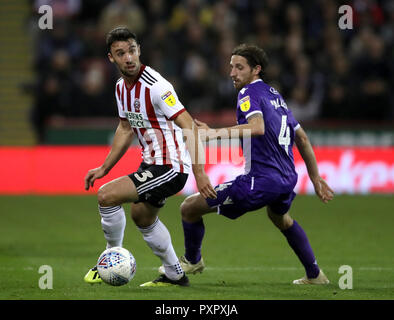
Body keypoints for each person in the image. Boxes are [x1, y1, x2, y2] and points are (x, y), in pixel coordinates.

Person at [158, 43, 334, 284]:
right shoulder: (276, 97)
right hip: (286, 179)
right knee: (281, 219)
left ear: (256, 70)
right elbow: (301, 137)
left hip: (260, 181)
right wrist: (315, 177)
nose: (232, 73)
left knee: (188, 208)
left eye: (239, 67)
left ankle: (192, 259)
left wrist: (213, 133)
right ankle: (315, 275)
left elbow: (257, 128)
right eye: (231, 67)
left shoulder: (248, 94)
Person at [83, 27, 216, 287]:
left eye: (132, 50)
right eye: (121, 53)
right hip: (152, 164)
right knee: (142, 216)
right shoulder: (121, 88)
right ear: (111, 58)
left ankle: (110, 259)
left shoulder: (157, 87)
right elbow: (125, 128)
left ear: (139, 49)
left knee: (106, 196)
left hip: (171, 166)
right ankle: (175, 275)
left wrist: (200, 173)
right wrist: (104, 167)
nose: (128, 58)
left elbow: (189, 125)